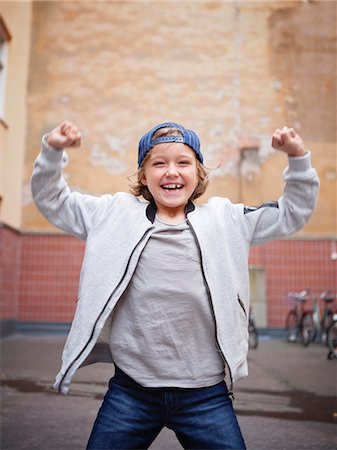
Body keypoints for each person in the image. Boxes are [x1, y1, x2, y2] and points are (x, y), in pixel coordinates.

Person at [31, 121, 319, 450]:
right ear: (143, 176)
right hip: (131, 391)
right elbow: (53, 199)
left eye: (183, 162)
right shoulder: (112, 214)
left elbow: (291, 214)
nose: (171, 171)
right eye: (159, 163)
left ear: (198, 172)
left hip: (206, 395)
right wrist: (53, 150)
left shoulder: (227, 220)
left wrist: (297, 157)